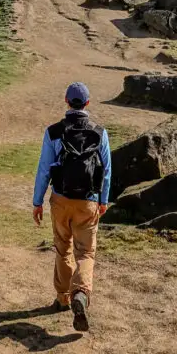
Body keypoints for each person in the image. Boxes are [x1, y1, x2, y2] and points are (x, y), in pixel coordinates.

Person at [32, 82, 111, 332]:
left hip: (60, 200)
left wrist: (37, 202)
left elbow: (44, 169)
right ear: (87, 103)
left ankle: (63, 298)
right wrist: (103, 200)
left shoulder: (53, 131)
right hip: (88, 201)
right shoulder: (100, 132)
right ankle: (81, 293)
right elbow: (106, 171)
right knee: (86, 253)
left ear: (66, 101)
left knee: (62, 248)